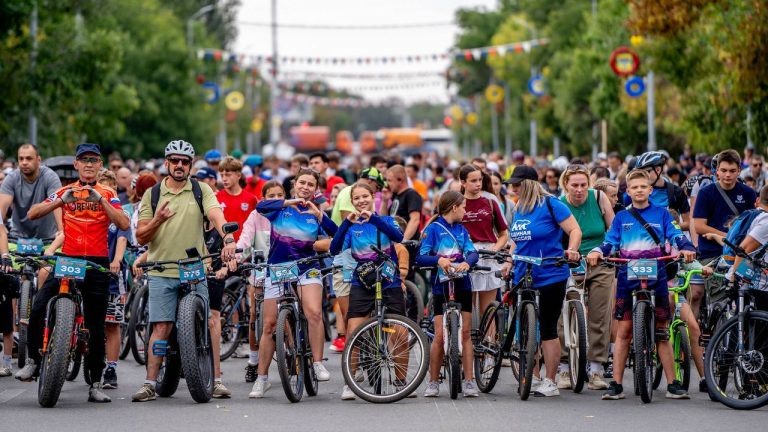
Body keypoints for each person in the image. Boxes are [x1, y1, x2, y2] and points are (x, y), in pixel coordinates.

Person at [22, 143, 130, 403]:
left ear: (100, 165)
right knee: (38, 307)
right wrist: (62, 201)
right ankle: (34, 361)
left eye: (93, 160)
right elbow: (32, 213)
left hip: (96, 262)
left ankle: (95, 382)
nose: (89, 164)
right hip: (68, 258)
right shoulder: (65, 190)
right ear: (76, 165)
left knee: (95, 325)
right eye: (84, 160)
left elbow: (124, 223)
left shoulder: (108, 192)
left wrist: (100, 200)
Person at [131, 140, 237, 402]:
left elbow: (216, 216)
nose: (179, 165)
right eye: (175, 160)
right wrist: (158, 219)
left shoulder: (201, 190)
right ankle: (149, 383)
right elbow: (141, 236)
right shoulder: (153, 194)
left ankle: (216, 379)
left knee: (208, 322)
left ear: (190, 165)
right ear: (167, 163)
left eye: (185, 161)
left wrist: (228, 239)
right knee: (162, 327)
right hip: (161, 270)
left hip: (194, 268)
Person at [587, 169, 697, 401]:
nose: (639, 190)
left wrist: (686, 247)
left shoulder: (663, 214)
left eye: (643, 187)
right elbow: (609, 242)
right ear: (628, 191)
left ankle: (673, 383)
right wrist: (597, 251)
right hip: (627, 275)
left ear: (650, 189)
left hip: (658, 274)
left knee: (661, 331)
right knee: (624, 331)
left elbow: (676, 235)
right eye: (634, 187)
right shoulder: (621, 217)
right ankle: (617, 384)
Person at [248, 168, 338, 399]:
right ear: (295, 184)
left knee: (313, 312)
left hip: (307, 267)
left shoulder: (316, 212)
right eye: (302, 183)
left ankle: (317, 363)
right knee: (269, 325)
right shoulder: (280, 207)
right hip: (278, 267)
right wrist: (288, 202)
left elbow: (337, 236)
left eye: (310, 184)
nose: (306, 187)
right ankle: (261, 378)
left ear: (316, 189)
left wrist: (320, 216)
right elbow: (260, 207)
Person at [501, 165, 582, 397]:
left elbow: (575, 230)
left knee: (547, 327)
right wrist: (509, 260)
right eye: (512, 185)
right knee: (526, 328)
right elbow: (516, 240)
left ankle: (550, 381)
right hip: (523, 274)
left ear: (529, 184)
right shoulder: (518, 208)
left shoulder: (551, 204)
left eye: (517, 184)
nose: (513, 188)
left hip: (550, 272)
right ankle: (533, 377)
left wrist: (572, 250)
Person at [329, 182, 404, 400]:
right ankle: (350, 381)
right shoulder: (352, 227)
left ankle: (401, 381)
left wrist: (374, 218)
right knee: (354, 330)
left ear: (373, 197)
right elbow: (334, 249)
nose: (361, 201)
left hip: (389, 280)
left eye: (365, 196)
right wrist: (346, 223)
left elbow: (398, 237)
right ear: (352, 202)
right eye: (357, 198)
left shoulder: (386, 220)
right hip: (362, 281)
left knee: (400, 331)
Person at [416, 191, 480, 398]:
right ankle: (433, 382)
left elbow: (473, 252)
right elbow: (420, 257)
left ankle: (469, 381)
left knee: (466, 333)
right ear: (454, 207)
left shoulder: (462, 229)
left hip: (463, 284)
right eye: (463, 207)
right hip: (440, 286)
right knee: (440, 336)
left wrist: (467, 262)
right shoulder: (433, 229)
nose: (465, 211)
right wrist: (438, 260)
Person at [557, 164, 615, 390]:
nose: (579, 190)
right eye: (574, 185)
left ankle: (596, 369)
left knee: (600, 315)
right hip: (570, 263)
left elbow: (614, 230)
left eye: (583, 185)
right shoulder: (559, 204)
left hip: (599, 261)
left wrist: (603, 250)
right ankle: (564, 366)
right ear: (566, 185)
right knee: (565, 313)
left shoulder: (599, 198)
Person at [328, 167, 385, 354]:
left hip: (367, 267)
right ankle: (355, 358)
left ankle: (366, 352)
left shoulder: (373, 211)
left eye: (367, 196)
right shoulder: (349, 194)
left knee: (368, 316)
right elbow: (344, 239)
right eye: (376, 187)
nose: (362, 200)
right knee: (351, 317)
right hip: (346, 263)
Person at [693, 149, 757, 313]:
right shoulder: (706, 193)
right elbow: (699, 226)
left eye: (732, 171)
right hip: (712, 254)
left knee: (745, 300)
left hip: (742, 253)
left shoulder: (748, 193)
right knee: (719, 303)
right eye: (724, 170)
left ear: (739, 171)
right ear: (717, 171)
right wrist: (729, 237)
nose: (728, 175)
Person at [237, 180, 282, 383]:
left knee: (292, 311)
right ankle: (254, 361)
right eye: (271, 196)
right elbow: (245, 240)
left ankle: (294, 354)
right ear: (263, 199)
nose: (276, 199)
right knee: (255, 314)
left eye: (279, 195)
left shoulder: (289, 214)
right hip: (260, 271)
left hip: (285, 271)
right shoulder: (256, 215)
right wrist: (235, 257)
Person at [457, 164, 509, 339]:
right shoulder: (456, 203)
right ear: (463, 182)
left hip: (488, 254)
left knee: (488, 311)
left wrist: (496, 248)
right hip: (464, 255)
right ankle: (467, 347)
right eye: (473, 181)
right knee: (466, 310)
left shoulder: (490, 202)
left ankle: (489, 347)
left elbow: (503, 233)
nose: (478, 184)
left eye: (480, 180)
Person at [94, 170, 131, 390]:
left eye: (111, 189)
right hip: (90, 273)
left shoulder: (120, 214)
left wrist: (116, 260)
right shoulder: (89, 212)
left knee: (111, 324)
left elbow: (122, 239)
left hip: (112, 276)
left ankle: (111, 368)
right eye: (102, 189)